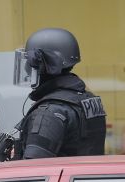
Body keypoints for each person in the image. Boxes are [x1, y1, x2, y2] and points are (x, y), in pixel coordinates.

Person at [14, 28, 106, 159]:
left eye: (30, 62)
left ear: (43, 65)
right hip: (82, 178)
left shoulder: (49, 112)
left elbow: (34, 169)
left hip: (62, 178)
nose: (27, 68)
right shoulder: (86, 98)